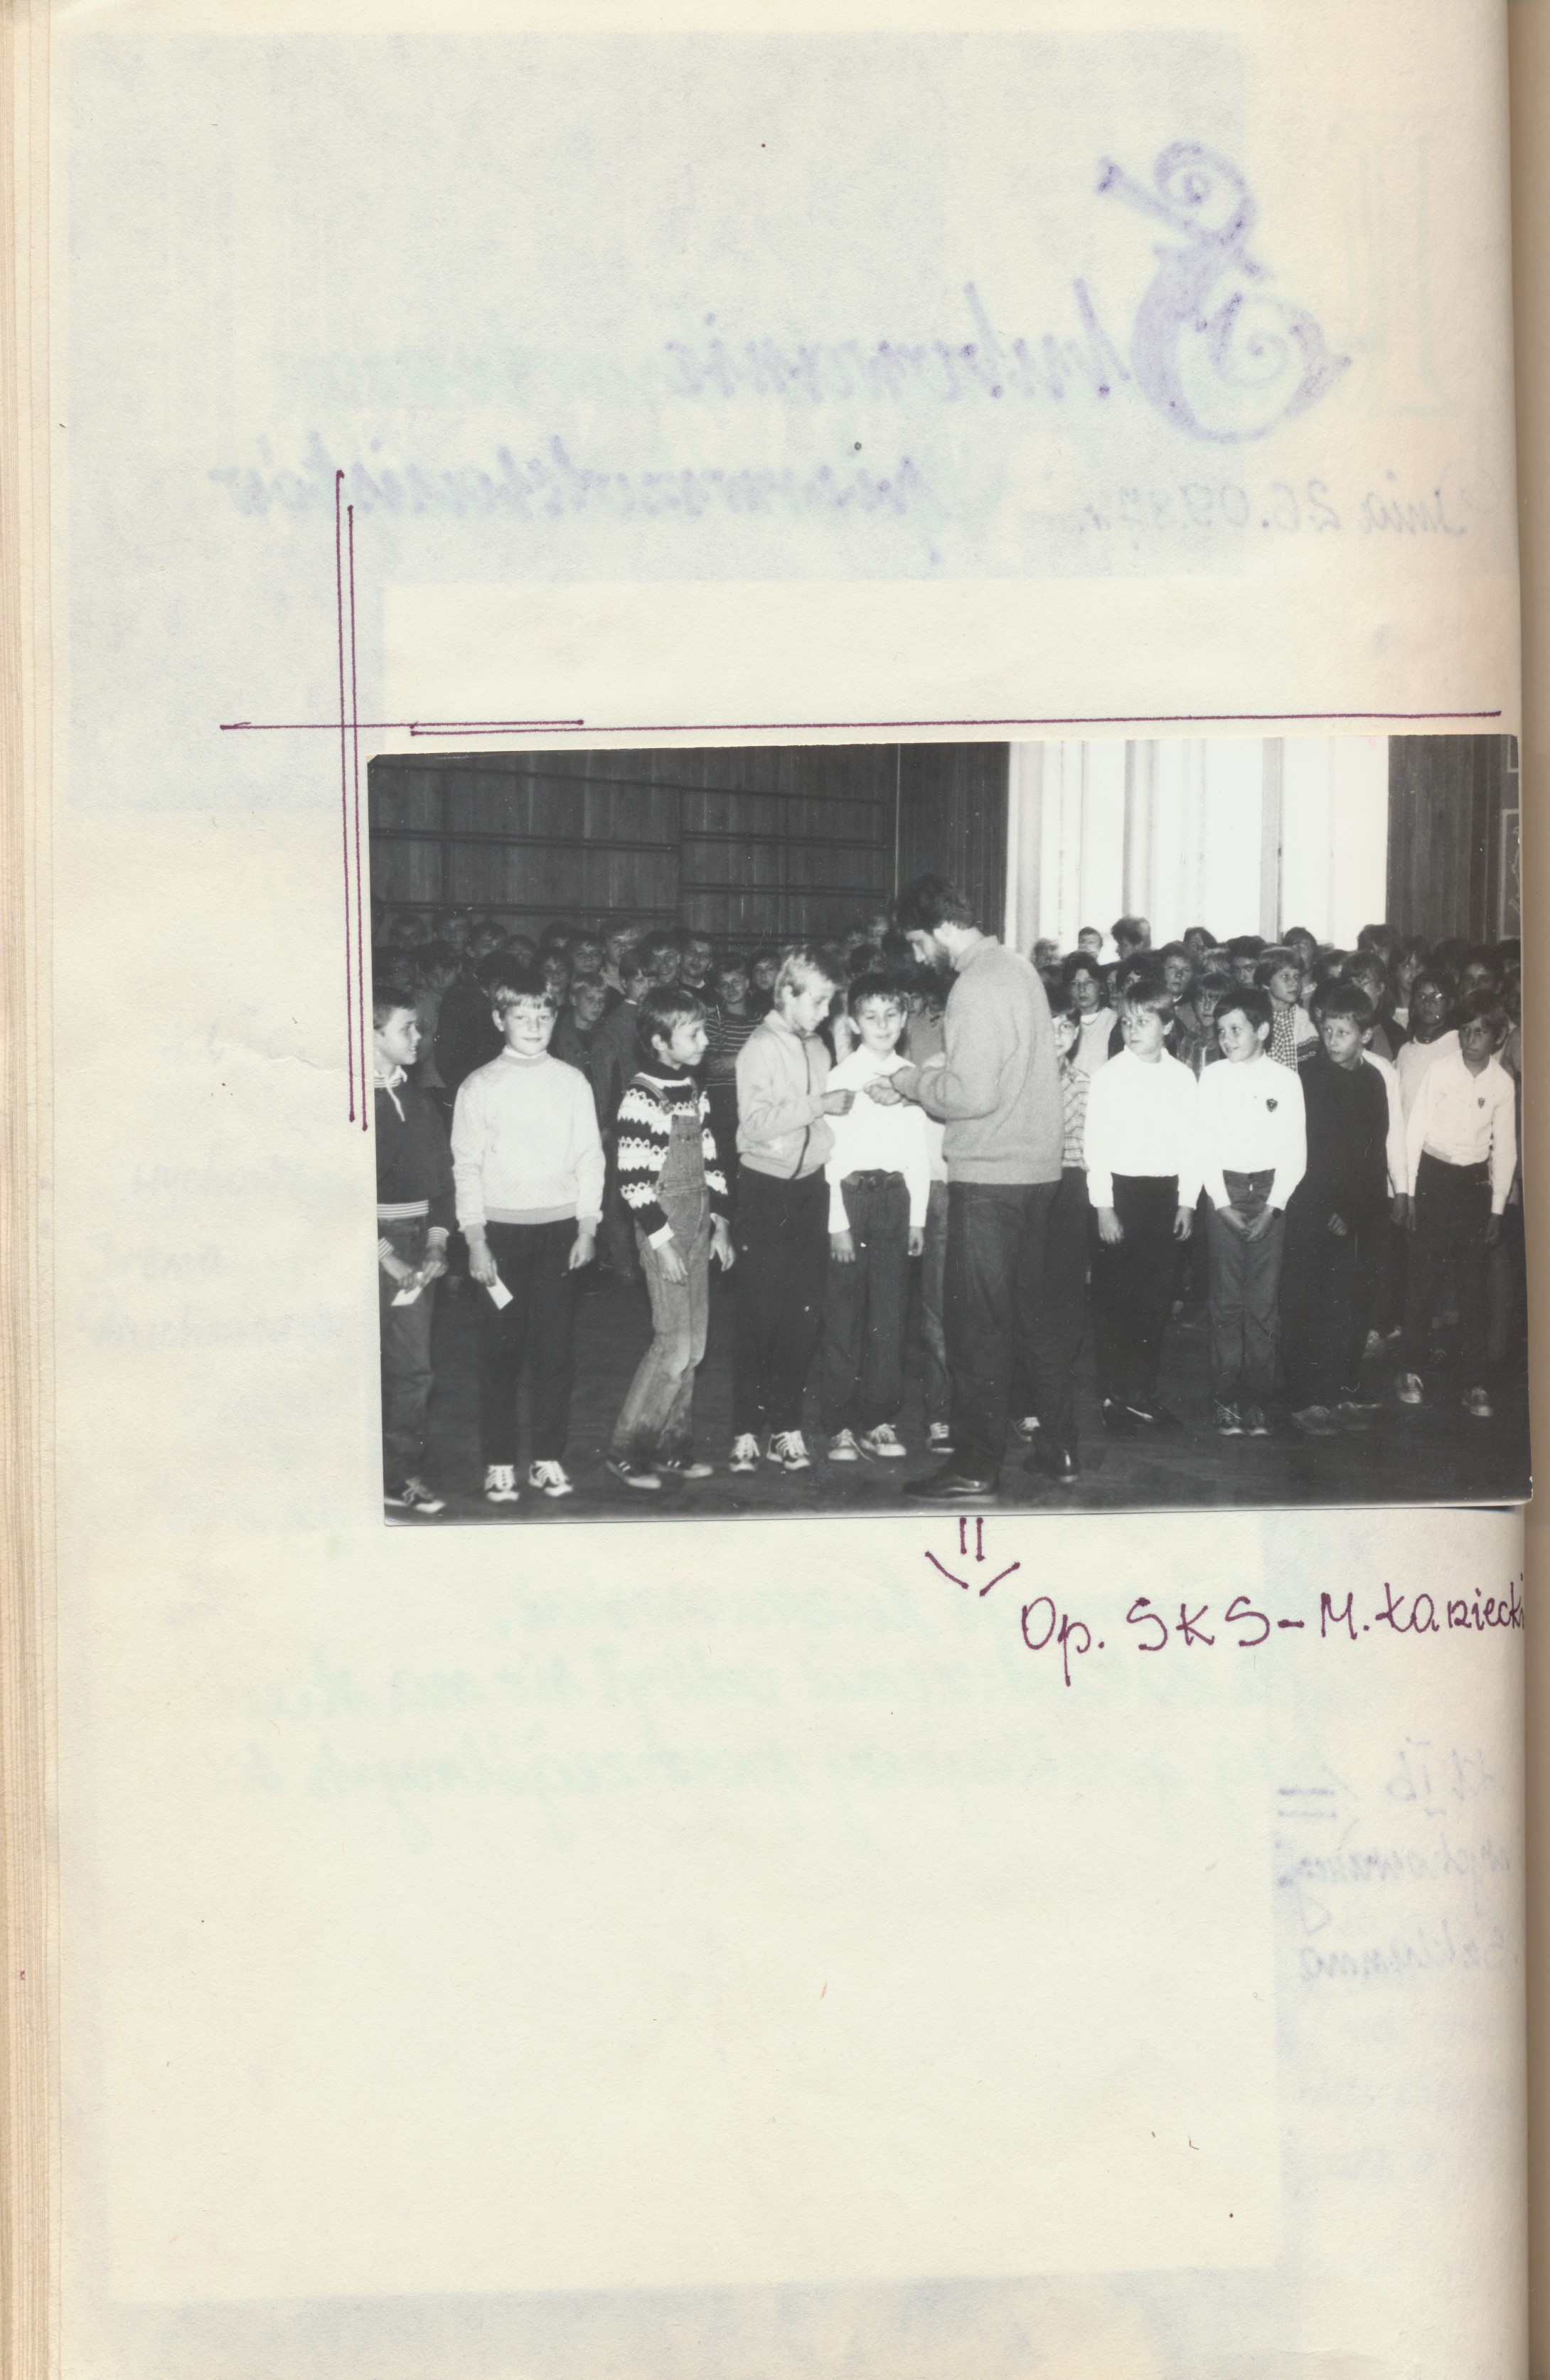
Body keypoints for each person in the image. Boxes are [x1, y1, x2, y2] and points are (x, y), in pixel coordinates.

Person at [877, 875, 1063, 1500]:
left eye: (917, 942)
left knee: (976, 1328)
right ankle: (1060, 1447)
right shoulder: (1018, 968)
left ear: (939, 929)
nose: (918, 955)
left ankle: (976, 1465)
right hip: (1037, 1172)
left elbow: (971, 1095)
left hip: (990, 1176)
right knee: (1033, 1320)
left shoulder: (974, 984)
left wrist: (911, 1081)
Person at [451, 966, 605, 1505]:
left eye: (544, 1014)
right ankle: (499, 1462)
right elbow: (466, 1166)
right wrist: (475, 1239)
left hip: (560, 1235)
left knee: (554, 1352)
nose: (535, 1025)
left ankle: (546, 1458)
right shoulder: (479, 1086)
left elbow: (590, 1157)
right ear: (500, 1020)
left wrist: (588, 1226)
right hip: (500, 1237)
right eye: (522, 1016)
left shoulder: (572, 1082)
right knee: (500, 1353)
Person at [729, 945, 854, 1473]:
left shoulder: (819, 1047)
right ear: (787, 993)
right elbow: (754, 1124)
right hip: (764, 1190)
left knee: (802, 1316)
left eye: (829, 1002)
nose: (825, 1013)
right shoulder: (758, 1048)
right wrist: (818, 1106)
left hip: (809, 1191)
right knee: (759, 1313)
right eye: (819, 1002)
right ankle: (745, 1426)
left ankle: (786, 1424)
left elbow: (820, 1121)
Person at [606, 985, 735, 1489]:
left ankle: (672, 1446)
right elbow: (633, 1181)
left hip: (699, 1225)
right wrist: (661, 1241)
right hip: (664, 1230)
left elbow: (711, 1159)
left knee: (694, 1348)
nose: (705, 1041)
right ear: (661, 1041)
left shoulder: (692, 1089)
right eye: (694, 1033)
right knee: (672, 1346)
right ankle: (627, 1448)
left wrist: (721, 1223)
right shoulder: (642, 1097)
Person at [817, 975, 931, 1463]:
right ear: (853, 1023)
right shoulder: (840, 1075)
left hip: (895, 1200)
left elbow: (919, 1153)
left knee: (889, 1315)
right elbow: (829, 1155)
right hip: (851, 1198)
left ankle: (878, 1418)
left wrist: (917, 1218)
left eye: (891, 1015)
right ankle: (840, 1422)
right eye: (871, 1016)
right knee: (844, 1316)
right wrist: (837, 1223)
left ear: (904, 1019)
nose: (882, 1025)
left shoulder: (913, 1077)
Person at [1081, 970, 1201, 1434]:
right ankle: (1113, 1395)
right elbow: (1096, 1147)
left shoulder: (1182, 1078)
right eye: (1127, 1021)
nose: (1133, 1030)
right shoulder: (1109, 1076)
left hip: (1164, 1196)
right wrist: (1104, 1206)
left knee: (1154, 1300)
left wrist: (1187, 1202)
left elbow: (1191, 1144)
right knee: (1115, 1300)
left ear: (1167, 1025)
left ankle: (1142, 1393)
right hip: (1120, 1196)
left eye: (1144, 1021)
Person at [1278, 984, 1392, 1437]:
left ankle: (1339, 1390)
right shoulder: (1308, 1077)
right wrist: (1326, 1207)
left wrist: (1355, 1211)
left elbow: (1373, 1151)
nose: (1332, 1039)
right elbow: (1305, 1150)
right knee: (1305, 1303)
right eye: (1327, 1030)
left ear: (1365, 1035)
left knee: (1345, 1306)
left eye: (1343, 1032)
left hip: (1355, 1211)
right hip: (1311, 1208)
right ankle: (1304, 1398)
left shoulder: (1374, 1080)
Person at [1398, 990, 1517, 1419]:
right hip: (1434, 1179)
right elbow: (1414, 1133)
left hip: (1474, 1186)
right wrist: (1409, 1193)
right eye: (1465, 1031)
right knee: (1423, 1278)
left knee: (1472, 1287)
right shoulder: (1440, 1071)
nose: (1470, 1040)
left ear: (1497, 1036)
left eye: (1480, 1032)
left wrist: (1497, 1208)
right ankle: (1410, 1371)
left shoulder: (1502, 1084)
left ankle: (1473, 1382)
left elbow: (1505, 1149)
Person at [1197, 983, 1306, 1438]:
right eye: (1221, 1030)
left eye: (1236, 1029)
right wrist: (1221, 1204)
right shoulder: (1212, 1077)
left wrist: (1272, 1208)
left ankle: (1257, 1402)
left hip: (1268, 1192)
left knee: (1262, 1305)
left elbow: (1295, 1152)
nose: (1227, 1038)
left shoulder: (1286, 1080)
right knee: (1226, 1303)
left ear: (1262, 1030)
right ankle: (1226, 1399)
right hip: (1223, 1189)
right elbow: (1202, 1145)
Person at [373, 988, 454, 1516]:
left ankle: (401, 1474)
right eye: (407, 1027)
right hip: (371, 1246)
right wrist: (386, 1256)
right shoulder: (349, 1105)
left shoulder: (423, 1103)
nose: (418, 1037)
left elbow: (443, 1186)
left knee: (414, 1369)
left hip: (415, 1241)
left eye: (420, 1027)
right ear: (372, 1034)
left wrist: (436, 1244)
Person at [702, 955, 761, 1203]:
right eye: (724, 984)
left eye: (736, 981)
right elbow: (714, 1066)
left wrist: (735, 1059)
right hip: (723, 1103)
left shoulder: (760, 1022)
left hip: (754, 1101)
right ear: (717, 989)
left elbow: (769, 1063)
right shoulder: (714, 1020)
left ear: (748, 983)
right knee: (726, 1166)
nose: (731, 988)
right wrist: (750, 1059)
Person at [1256, 946, 1318, 1071]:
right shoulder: (1255, 1019)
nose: (1295, 983)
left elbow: (1312, 1067)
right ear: (1266, 983)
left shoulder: (1306, 1020)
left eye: (1297, 976)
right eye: (1285, 976)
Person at [1064, 950, 1116, 1077]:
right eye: (1075, 983)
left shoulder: (1115, 1021)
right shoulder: (1064, 1022)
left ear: (1101, 987)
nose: (1082, 989)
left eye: (1089, 982)